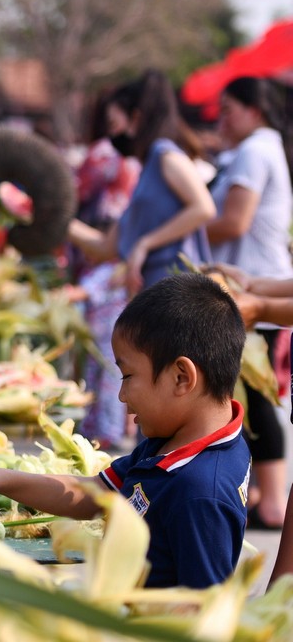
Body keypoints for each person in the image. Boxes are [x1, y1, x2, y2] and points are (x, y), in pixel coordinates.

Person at [0, 272, 250, 589]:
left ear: (181, 377)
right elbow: (95, 495)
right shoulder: (174, 443)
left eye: (128, 376)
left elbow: (205, 613)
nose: (121, 395)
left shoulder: (200, 492)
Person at [205, 76, 292, 531]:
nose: (221, 118)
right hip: (259, 287)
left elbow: (233, 222)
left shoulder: (256, 150)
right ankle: (263, 494)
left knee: (257, 401)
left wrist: (188, 230)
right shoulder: (257, 149)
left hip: (259, 298)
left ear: (254, 110)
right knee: (252, 399)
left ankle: (273, 500)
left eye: (228, 109)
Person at [66, 69, 216, 296]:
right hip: (156, 295)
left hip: (179, 296)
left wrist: (146, 243)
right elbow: (106, 247)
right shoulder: (146, 172)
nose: (112, 134)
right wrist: (56, 220)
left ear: (135, 119)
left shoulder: (164, 155)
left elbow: (203, 208)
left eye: (114, 124)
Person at [70, 90, 141, 452]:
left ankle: (106, 432)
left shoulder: (111, 159)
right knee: (110, 364)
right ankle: (107, 430)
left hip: (109, 277)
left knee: (111, 364)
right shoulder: (138, 165)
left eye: (116, 124)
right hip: (107, 274)